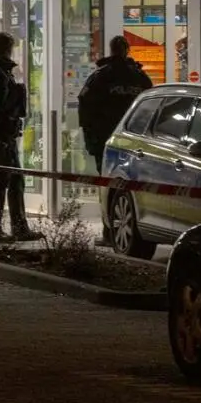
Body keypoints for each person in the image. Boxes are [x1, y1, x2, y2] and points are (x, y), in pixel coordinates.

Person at [78, 35, 153, 245]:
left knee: (108, 186)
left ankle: (109, 233)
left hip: (107, 140)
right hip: (134, 141)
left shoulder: (100, 77)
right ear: (127, 50)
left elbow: (85, 106)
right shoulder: (139, 77)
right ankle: (124, 231)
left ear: (110, 51)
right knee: (130, 187)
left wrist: (91, 138)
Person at [0, 32, 41, 242]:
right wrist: (17, 97)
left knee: (14, 181)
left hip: (1, 133)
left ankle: (18, 227)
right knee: (1, 182)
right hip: (2, 133)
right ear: (7, 48)